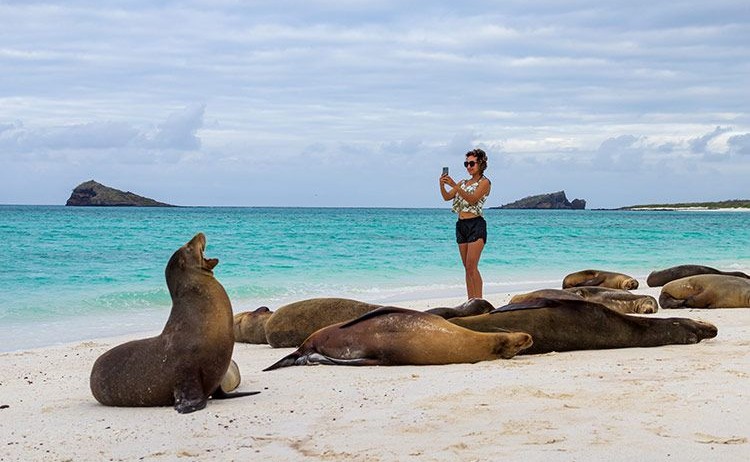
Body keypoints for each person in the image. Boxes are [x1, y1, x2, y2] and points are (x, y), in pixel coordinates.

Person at [439, 148, 492, 299]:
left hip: (476, 224)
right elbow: (447, 197)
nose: (468, 167)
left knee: (472, 266)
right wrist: (442, 184)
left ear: (481, 163)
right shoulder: (463, 182)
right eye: (466, 164)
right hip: (461, 225)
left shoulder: (485, 182)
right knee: (467, 268)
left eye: (471, 163)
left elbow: (473, 199)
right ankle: (471, 301)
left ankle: (479, 301)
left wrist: (455, 186)